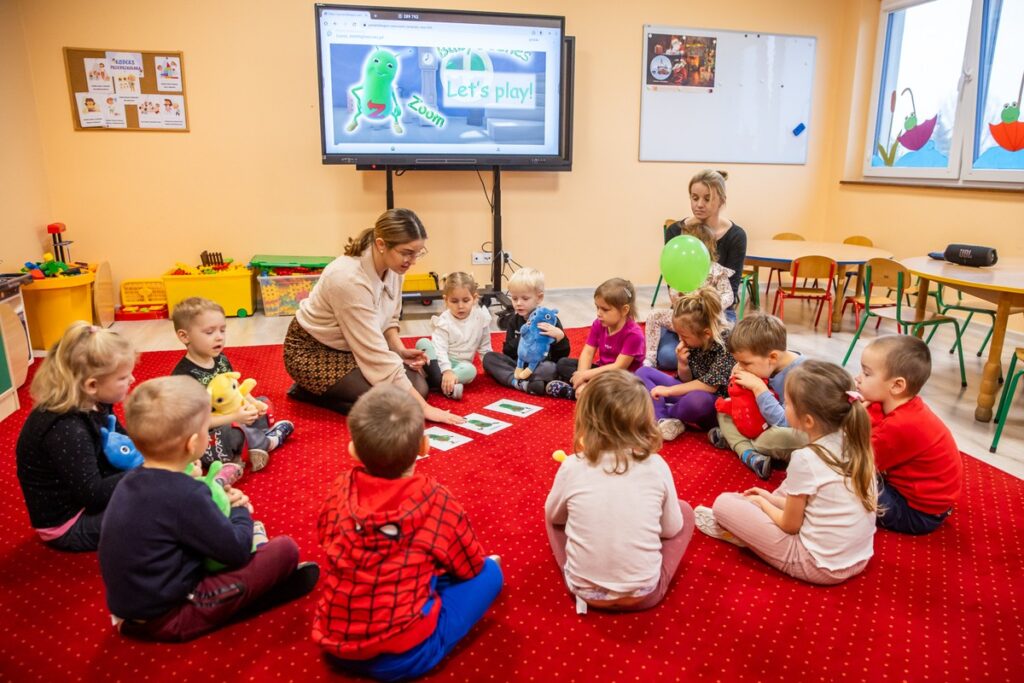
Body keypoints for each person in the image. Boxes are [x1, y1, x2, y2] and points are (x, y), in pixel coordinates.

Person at [100, 376, 319, 642]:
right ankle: (248, 599)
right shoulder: (186, 494)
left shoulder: (129, 481)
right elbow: (236, 552)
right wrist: (238, 510)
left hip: (132, 605)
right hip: (170, 615)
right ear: (193, 444)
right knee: (285, 549)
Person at [315, 385, 503, 680]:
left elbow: (326, 538)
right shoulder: (435, 500)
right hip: (403, 657)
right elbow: (470, 566)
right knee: (491, 574)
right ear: (424, 447)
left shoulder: (340, 489)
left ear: (353, 449)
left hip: (335, 642)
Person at [699, 361, 876, 585]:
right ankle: (754, 523)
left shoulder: (806, 458)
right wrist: (769, 498)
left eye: (788, 404)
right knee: (781, 490)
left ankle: (746, 534)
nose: (784, 408)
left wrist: (764, 504)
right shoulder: (854, 439)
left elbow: (790, 526)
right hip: (859, 558)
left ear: (808, 420)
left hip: (816, 564)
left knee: (724, 503)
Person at [283, 208, 462, 425]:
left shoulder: (394, 266)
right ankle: (311, 392)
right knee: (401, 403)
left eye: (418, 252)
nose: (413, 261)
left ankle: (338, 394)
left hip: (352, 346)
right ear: (380, 244)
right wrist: (425, 409)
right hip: (312, 352)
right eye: (407, 252)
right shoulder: (347, 278)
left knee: (419, 387)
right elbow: (373, 353)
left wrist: (399, 349)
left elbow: (390, 320)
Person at [545, 370, 694, 613]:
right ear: (646, 421)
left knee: (552, 514)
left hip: (583, 591)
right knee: (686, 511)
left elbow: (555, 518)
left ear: (586, 420)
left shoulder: (572, 465)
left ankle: (579, 568)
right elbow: (671, 529)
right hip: (644, 594)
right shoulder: (657, 465)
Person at [15, 322, 137, 552]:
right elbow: (94, 494)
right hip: (69, 525)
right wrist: (149, 468)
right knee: (159, 508)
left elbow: (121, 439)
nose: (132, 380)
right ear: (91, 385)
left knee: (161, 486)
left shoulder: (96, 401)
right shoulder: (66, 428)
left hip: (88, 499)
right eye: (123, 377)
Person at [172, 297, 293, 472]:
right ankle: (267, 441)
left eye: (222, 330)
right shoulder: (184, 377)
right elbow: (195, 423)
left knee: (263, 401)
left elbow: (235, 390)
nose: (219, 337)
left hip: (231, 416)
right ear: (184, 336)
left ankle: (250, 444)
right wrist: (235, 417)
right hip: (206, 435)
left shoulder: (221, 360)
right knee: (234, 432)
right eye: (209, 332)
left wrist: (253, 403)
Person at [855, 335, 962, 534]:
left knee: (844, 482)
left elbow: (856, 461)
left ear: (896, 386)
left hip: (917, 514)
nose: (858, 378)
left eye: (867, 374)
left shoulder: (900, 425)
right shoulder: (903, 405)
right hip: (932, 505)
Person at [707, 313, 808, 479]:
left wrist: (759, 388)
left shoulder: (802, 375)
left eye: (745, 363)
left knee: (776, 438)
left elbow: (785, 422)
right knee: (725, 408)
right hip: (763, 424)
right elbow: (743, 403)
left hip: (793, 431)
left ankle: (742, 446)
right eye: (737, 362)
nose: (740, 367)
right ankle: (751, 454)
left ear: (773, 357)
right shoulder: (765, 363)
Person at [636, 288, 733, 441]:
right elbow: (686, 381)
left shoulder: (726, 343)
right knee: (643, 372)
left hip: (715, 404)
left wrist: (669, 391)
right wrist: (682, 363)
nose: (680, 339)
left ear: (707, 333)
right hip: (689, 392)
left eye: (684, 336)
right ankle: (663, 420)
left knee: (697, 401)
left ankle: (665, 412)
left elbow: (709, 386)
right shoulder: (694, 341)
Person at [645, 222, 735, 371]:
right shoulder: (681, 269)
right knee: (654, 315)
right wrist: (678, 297)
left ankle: (703, 356)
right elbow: (674, 293)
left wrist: (710, 303)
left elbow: (729, 295)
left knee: (727, 336)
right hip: (685, 318)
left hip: (707, 319)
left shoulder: (716, 270)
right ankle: (651, 357)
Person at [665, 169, 747, 321]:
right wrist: (687, 308)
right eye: (695, 198)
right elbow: (673, 284)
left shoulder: (736, 236)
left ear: (722, 200)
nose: (699, 205)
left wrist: (705, 311)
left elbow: (731, 291)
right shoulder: (675, 231)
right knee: (667, 346)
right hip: (684, 309)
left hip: (719, 311)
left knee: (722, 344)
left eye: (707, 199)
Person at [546, 278, 645, 400]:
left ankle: (578, 393)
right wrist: (581, 380)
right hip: (600, 372)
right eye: (597, 307)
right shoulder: (598, 324)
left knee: (622, 391)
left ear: (624, 310)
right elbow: (588, 353)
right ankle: (584, 391)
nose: (598, 313)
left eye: (605, 309)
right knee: (563, 364)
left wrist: (585, 375)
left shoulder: (634, 334)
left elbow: (618, 367)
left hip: (623, 379)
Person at [482, 267, 570, 396]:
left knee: (552, 367)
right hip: (519, 366)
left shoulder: (550, 320)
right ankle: (521, 383)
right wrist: (525, 335)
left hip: (541, 366)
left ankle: (529, 381)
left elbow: (561, 356)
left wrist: (560, 338)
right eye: (514, 298)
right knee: (489, 358)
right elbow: (508, 352)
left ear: (539, 298)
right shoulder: (514, 320)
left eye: (525, 298)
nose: (518, 303)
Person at [414, 272, 492, 400]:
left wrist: (490, 367)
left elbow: (485, 347)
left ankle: (433, 381)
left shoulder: (481, 318)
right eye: (454, 301)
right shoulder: (444, 321)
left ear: (474, 298)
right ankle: (443, 384)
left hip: (460, 366)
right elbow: (440, 349)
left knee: (471, 371)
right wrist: (446, 371)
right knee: (422, 343)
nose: (460, 306)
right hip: (438, 361)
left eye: (466, 300)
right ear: (446, 300)